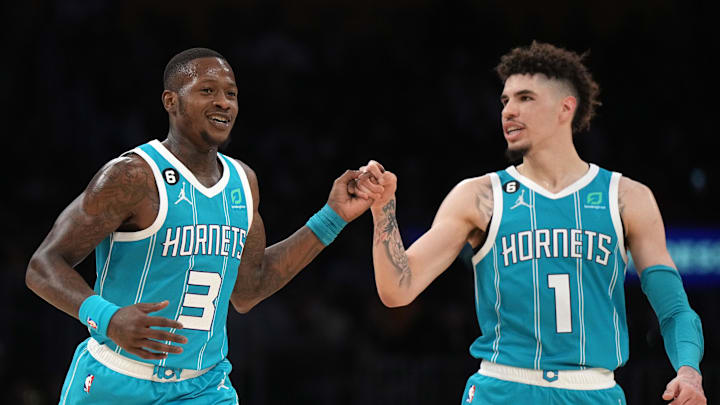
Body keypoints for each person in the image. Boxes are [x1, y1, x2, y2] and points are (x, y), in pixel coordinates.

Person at [355, 42, 706, 404]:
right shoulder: (479, 195)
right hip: (502, 387)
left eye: (525, 98)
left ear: (565, 108)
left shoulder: (627, 197)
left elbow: (675, 308)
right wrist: (384, 210)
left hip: (593, 390)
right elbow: (398, 290)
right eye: (505, 101)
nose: (509, 111)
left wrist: (689, 372)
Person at [25, 47, 378, 404]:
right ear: (171, 101)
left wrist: (332, 218)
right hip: (117, 380)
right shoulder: (132, 176)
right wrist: (108, 318)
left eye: (231, 94)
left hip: (204, 387)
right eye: (207, 90)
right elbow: (43, 265)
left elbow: (249, 289)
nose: (224, 102)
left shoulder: (244, 182)